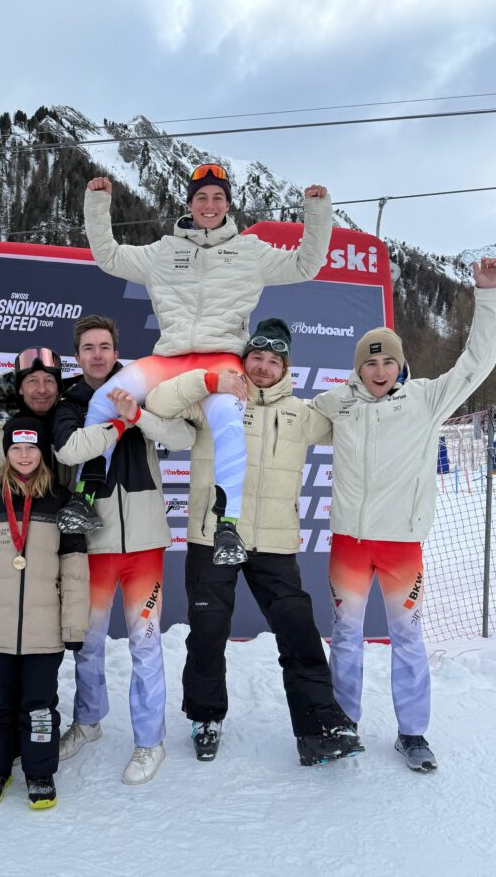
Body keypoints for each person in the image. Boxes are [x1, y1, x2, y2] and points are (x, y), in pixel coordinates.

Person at [59, 165, 332, 568]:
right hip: (168, 356)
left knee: (225, 420)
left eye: (217, 197)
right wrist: (98, 204)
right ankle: (84, 497)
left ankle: (227, 524)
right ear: (189, 203)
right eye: (202, 197)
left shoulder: (250, 251)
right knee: (103, 398)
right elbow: (109, 257)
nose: (209, 205)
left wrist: (317, 211)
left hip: (222, 357)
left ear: (228, 204)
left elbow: (306, 266)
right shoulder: (164, 251)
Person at [312, 258, 496, 772]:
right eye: (370, 364)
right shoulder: (337, 404)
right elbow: (285, 428)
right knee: (346, 638)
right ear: (358, 368)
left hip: (401, 547)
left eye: (388, 363)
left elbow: (476, 362)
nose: (379, 372)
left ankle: (413, 733)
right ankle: (343, 724)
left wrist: (489, 298)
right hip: (350, 546)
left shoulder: (427, 400)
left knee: (407, 638)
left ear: (401, 366)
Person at [146, 319, 362, 766]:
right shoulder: (213, 403)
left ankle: (321, 724)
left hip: (275, 544)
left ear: (286, 366)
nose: (263, 367)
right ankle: (205, 716)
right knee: (207, 633)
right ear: (244, 361)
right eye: (256, 358)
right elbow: (159, 402)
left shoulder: (303, 414)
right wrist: (208, 379)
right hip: (212, 538)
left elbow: (357, 425)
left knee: (299, 631)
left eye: (274, 360)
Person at [53, 315, 196, 784]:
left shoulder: (145, 390)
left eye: (105, 346)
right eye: (89, 347)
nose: (97, 354)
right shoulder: (71, 397)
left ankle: (148, 742)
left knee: (146, 645)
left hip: (143, 544)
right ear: (78, 356)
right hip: (91, 543)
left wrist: (140, 415)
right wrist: (116, 421)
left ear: (117, 352)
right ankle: (89, 721)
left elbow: (184, 437)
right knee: (88, 643)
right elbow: (69, 451)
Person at [0, 417, 89, 810]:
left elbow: (75, 571)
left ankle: (40, 772)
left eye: (31, 448)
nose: (24, 455)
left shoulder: (62, 500)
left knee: (40, 708)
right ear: (6, 452)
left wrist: (72, 625)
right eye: (16, 448)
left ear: (42, 453)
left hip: (44, 633)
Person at [0, 346, 71, 508]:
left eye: (49, 380)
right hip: (13, 527)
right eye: (33, 381)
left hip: (67, 527)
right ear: (20, 388)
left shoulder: (73, 427)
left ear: (58, 388)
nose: (42, 389)